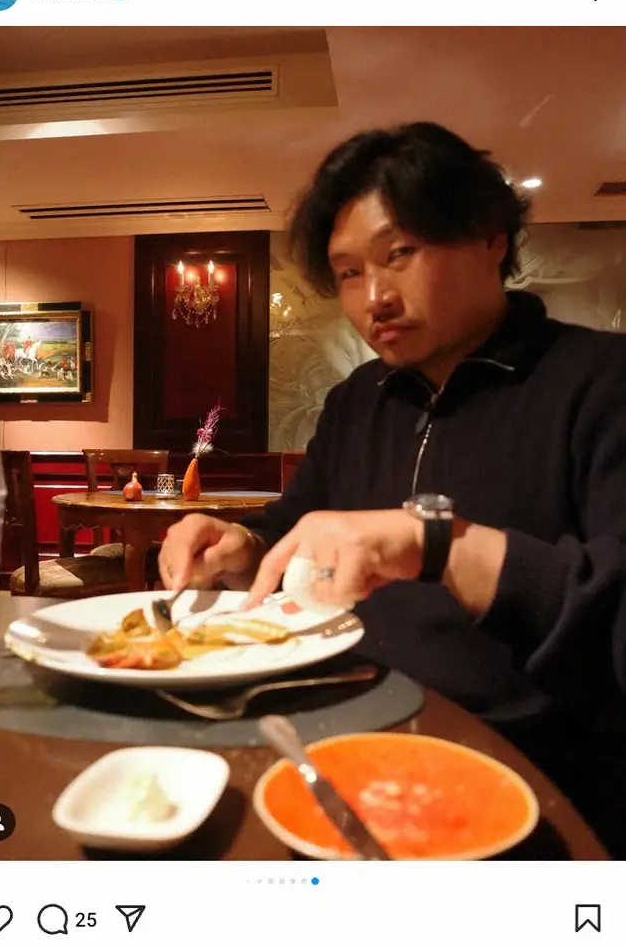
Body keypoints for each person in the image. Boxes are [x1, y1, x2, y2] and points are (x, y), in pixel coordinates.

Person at [159, 121, 626, 856]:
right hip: (338, 731)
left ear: (490, 238)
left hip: (537, 770)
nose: (373, 297)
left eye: (399, 254)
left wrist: (439, 545)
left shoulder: (600, 382)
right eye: (348, 273)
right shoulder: (359, 399)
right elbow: (298, 523)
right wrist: (242, 545)